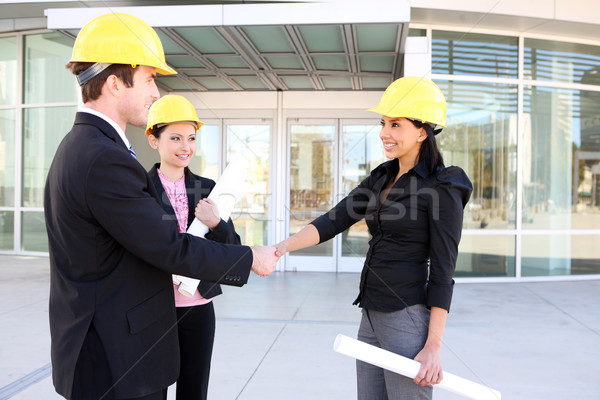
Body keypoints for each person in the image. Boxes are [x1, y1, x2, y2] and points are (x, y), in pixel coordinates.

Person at [44, 13, 278, 400]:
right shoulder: (104, 157)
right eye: (150, 79)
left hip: (106, 350)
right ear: (116, 83)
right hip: (114, 359)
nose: (156, 93)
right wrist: (249, 256)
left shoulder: (82, 147)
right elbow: (167, 246)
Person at [275, 76, 472, 400]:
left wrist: (433, 346)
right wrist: (280, 248)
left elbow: (443, 270)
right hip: (370, 314)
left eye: (396, 124)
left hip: (406, 317)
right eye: (383, 123)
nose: (384, 132)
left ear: (422, 131)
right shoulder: (382, 176)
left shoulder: (443, 187)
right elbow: (333, 220)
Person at [145, 94, 236, 400]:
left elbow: (231, 247)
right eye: (175, 138)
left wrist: (216, 224)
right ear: (153, 140)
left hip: (198, 308)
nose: (186, 147)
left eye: (191, 138)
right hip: (153, 307)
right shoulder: (139, 189)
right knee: (151, 389)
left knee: (194, 390)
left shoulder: (208, 189)